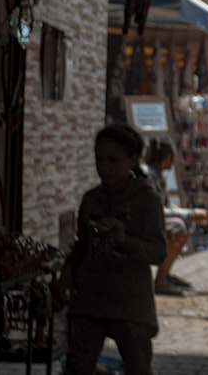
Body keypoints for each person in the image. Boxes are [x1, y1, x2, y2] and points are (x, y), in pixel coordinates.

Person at [51, 124, 167, 375]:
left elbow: (158, 252)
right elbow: (82, 244)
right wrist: (68, 271)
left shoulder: (147, 200)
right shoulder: (91, 199)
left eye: (113, 160)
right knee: (78, 367)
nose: (104, 168)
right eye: (99, 160)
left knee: (137, 368)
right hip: (90, 298)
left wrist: (125, 241)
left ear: (133, 159)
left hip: (130, 301)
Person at [142, 139, 208, 296]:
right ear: (166, 157)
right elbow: (157, 209)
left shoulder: (157, 175)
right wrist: (191, 214)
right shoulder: (148, 176)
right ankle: (160, 280)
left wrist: (190, 214)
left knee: (186, 225)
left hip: (155, 218)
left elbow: (165, 206)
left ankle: (165, 273)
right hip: (145, 221)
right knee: (178, 227)